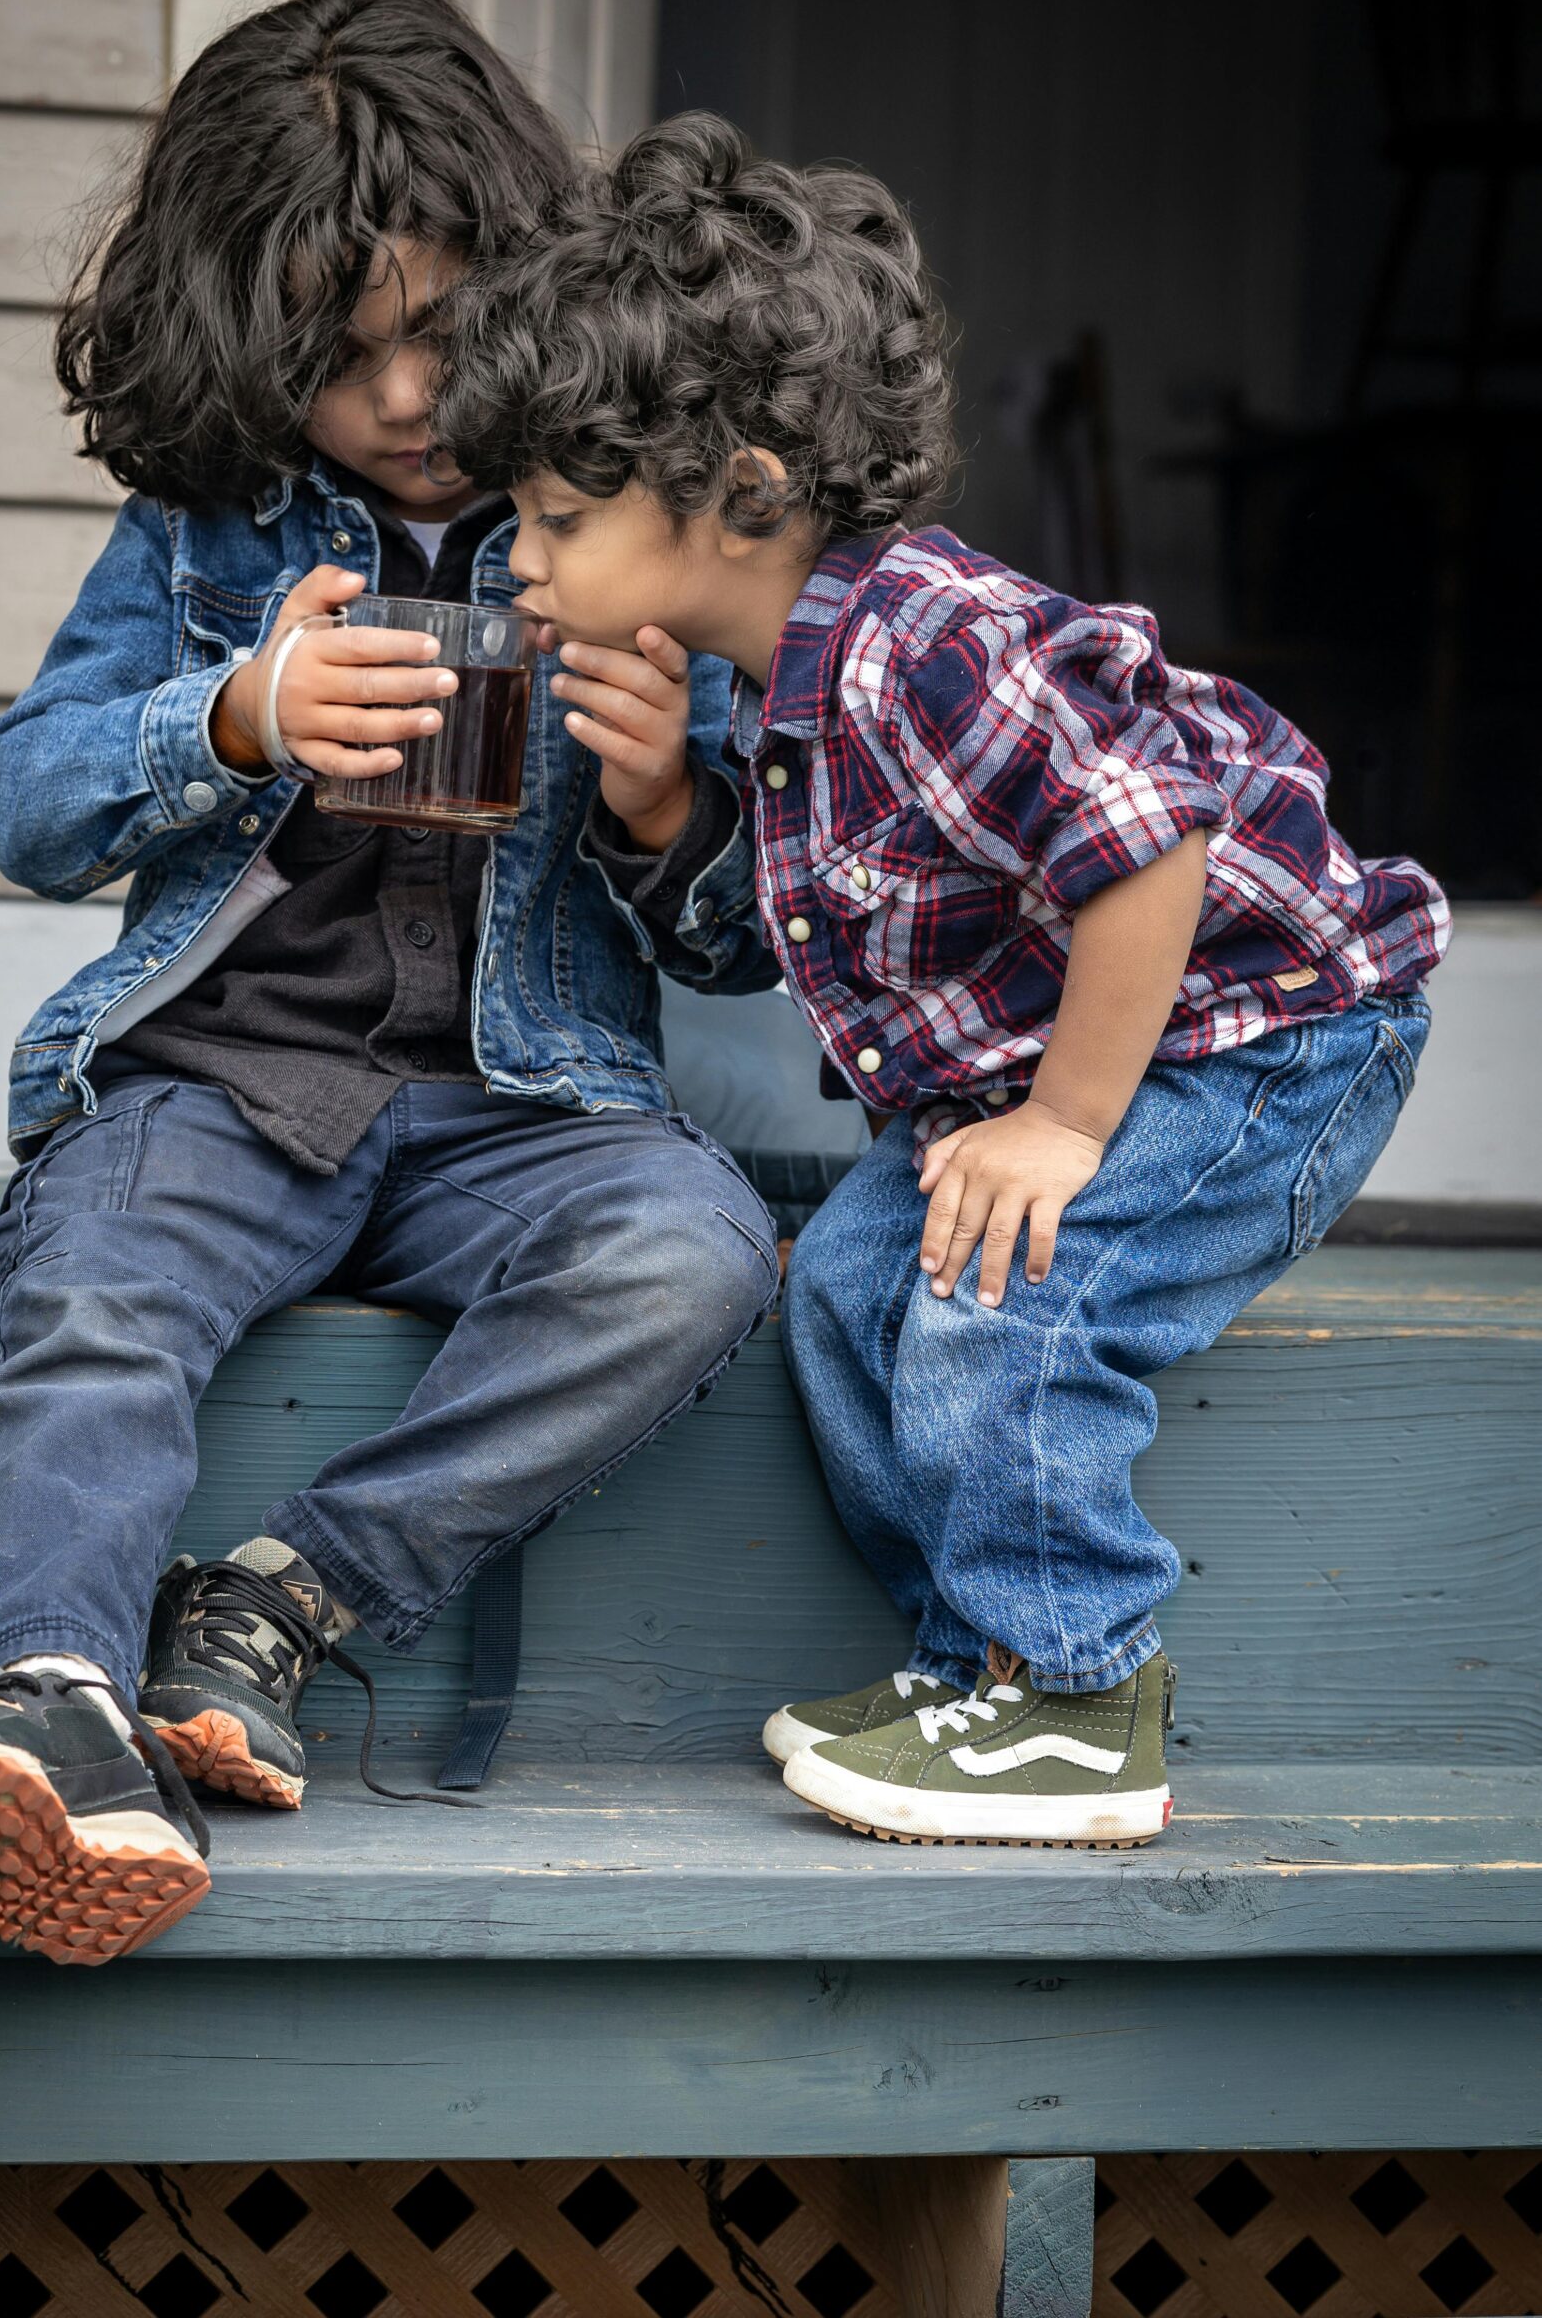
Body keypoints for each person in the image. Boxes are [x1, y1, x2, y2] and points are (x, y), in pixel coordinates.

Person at [0, 0, 780, 1965]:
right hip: (223, 1086)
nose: (408, 392)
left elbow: (745, 934)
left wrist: (672, 791)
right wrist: (230, 714)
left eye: (446, 324)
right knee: (85, 1282)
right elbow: (25, 798)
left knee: (695, 1246)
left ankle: (276, 1601)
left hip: (522, 1110)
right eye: (342, 356)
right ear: (245, 343)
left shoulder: (624, 529)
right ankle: (47, 1704)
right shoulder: (206, 532)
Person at [430, 111, 1450, 1850]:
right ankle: (979, 1658)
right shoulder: (754, 680)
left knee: (1011, 1301)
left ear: (741, 491)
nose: (517, 558)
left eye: (558, 514)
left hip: (1263, 1034)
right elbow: (818, 924)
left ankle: (1073, 1700)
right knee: (842, 1287)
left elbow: (1147, 848)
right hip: (1086, 1044)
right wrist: (671, 806)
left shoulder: (923, 642)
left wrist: (1061, 1127)